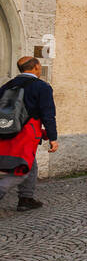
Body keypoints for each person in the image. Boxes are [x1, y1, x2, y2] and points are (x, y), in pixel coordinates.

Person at [0, 56, 59, 211]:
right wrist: (53, 138)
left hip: (7, 131)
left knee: (30, 164)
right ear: (36, 67)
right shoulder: (42, 87)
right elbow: (47, 114)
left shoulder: (7, 86)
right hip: (26, 134)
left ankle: (26, 198)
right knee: (22, 168)